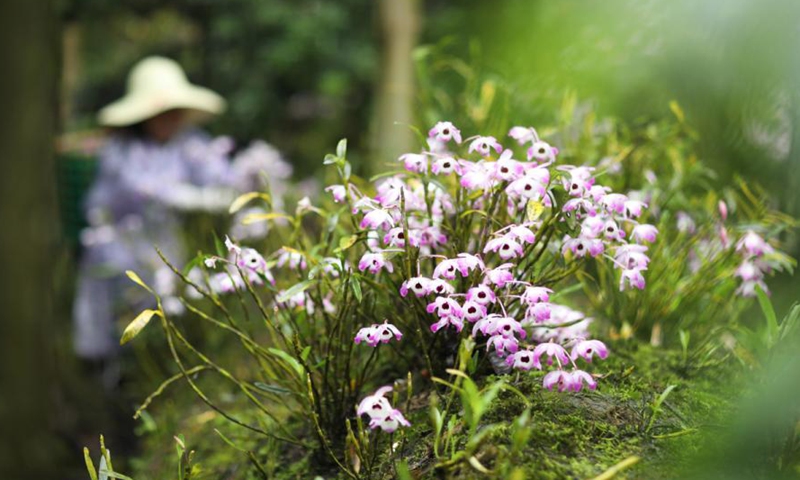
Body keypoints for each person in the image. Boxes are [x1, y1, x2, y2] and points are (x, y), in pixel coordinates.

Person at [73, 56, 237, 365]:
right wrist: (184, 196)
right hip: (118, 244)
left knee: (169, 308)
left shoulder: (191, 144)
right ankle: (109, 371)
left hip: (167, 244)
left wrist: (220, 194)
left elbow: (222, 181)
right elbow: (139, 190)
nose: (169, 120)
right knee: (117, 319)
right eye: (161, 113)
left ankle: (160, 362)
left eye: (175, 112)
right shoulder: (120, 150)